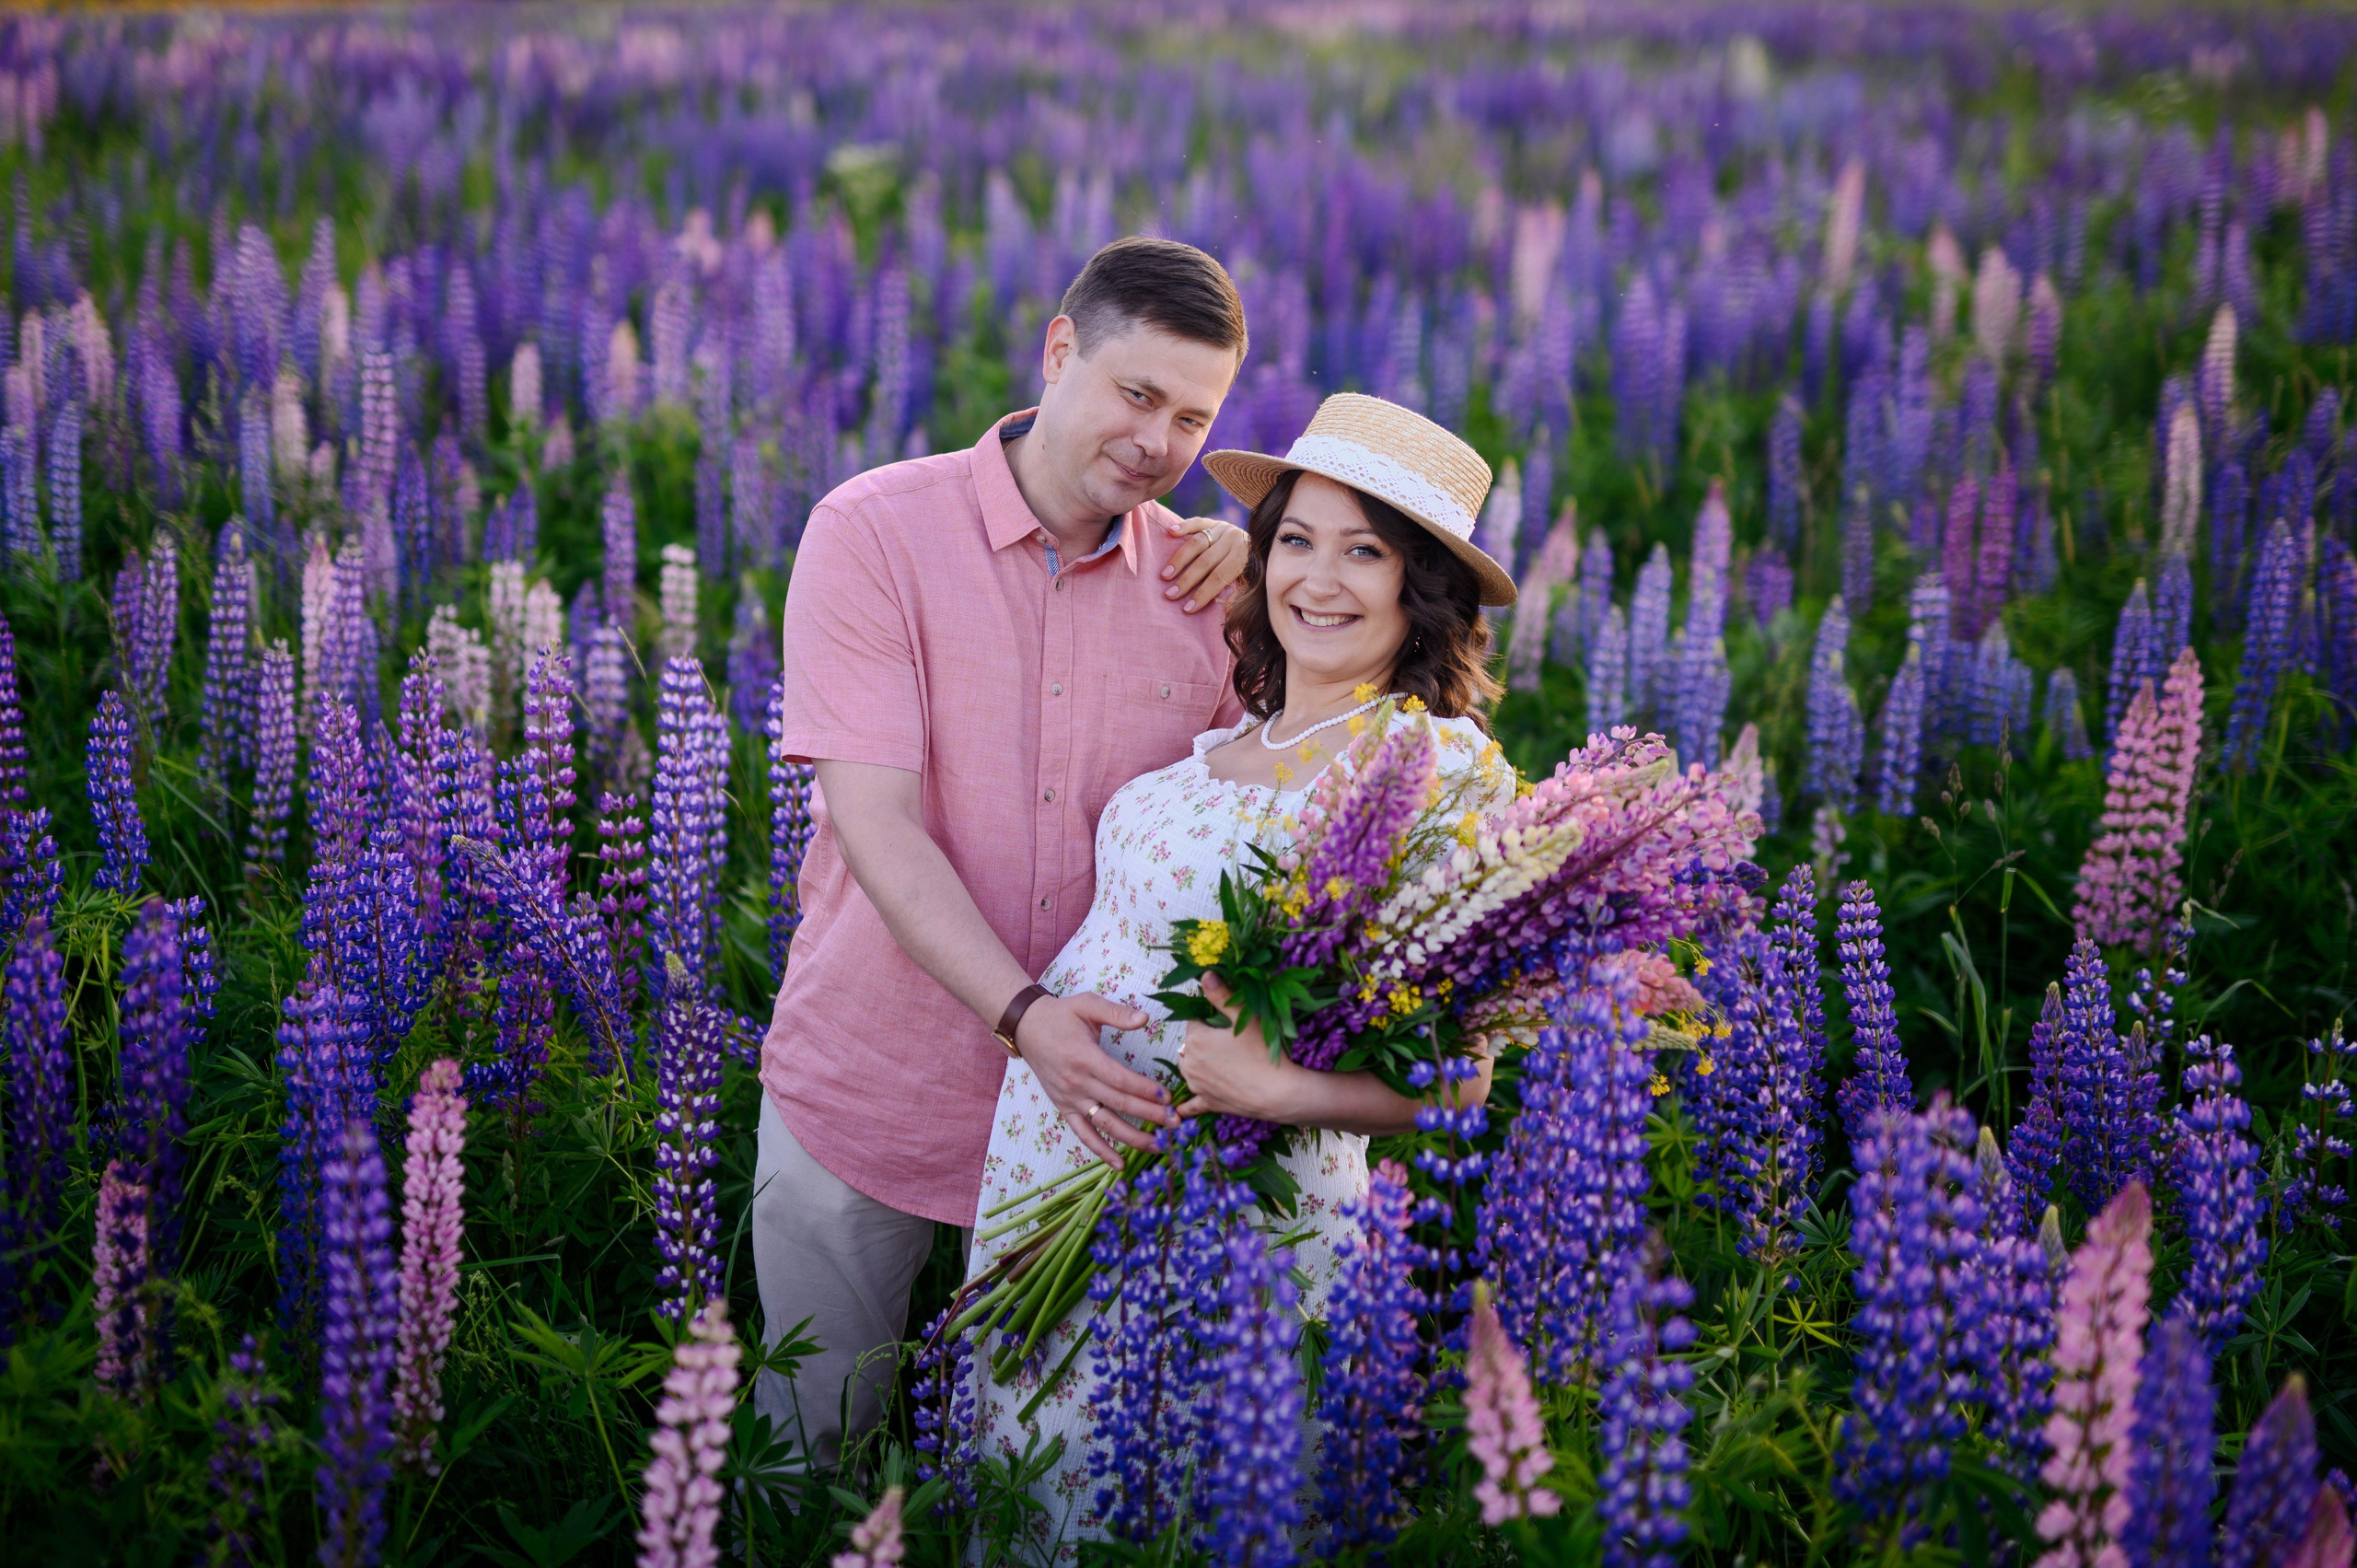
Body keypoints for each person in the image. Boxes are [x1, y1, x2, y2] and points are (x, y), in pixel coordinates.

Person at [964, 393, 1521, 1558]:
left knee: (1196, 1512)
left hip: (1242, 1214)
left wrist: (1279, 1091)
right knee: (1030, 1507)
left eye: (1363, 551)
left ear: (1420, 591)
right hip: (1051, 1193)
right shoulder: (1231, 731)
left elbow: (1462, 1080)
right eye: (1298, 541)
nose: (1317, 579)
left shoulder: (1431, 765)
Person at [757, 237, 1261, 1468]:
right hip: (874, 1086)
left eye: (1193, 417)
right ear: (1057, 350)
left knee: (1031, 1494)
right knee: (808, 1461)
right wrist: (1023, 1010)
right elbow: (875, 820)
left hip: (1090, 1125)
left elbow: (1275, 822)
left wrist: (1272, 571)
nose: (1157, 442)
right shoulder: (873, 530)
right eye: (1137, 394)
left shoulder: (1204, 591)